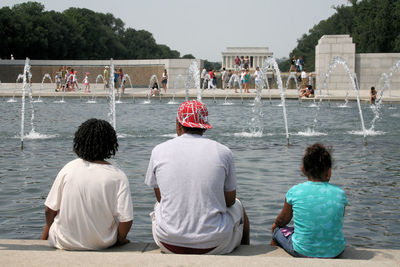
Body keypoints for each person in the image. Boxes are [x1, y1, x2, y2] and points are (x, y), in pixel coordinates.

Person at [145, 100, 250, 255]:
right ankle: (246, 251)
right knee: (239, 206)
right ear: (204, 128)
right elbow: (230, 201)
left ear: (178, 125)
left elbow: (161, 198)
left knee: (158, 206)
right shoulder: (223, 152)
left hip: (168, 242)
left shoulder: (159, 150)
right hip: (215, 244)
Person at [41, 119, 133, 250]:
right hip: (103, 243)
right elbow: (126, 220)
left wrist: (50, 228)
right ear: (111, 144)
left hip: (63, 241)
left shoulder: (68, 169)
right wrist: (120, 239)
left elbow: (49, 210)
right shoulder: (118, 176)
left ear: (79, 141)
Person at [271, 143, 347, 258]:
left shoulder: (295, 191)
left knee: (277, 231)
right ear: (329, 171)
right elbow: (337, 218)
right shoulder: (340, 193)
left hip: (303, 251)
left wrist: (276, 225)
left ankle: (273, 260)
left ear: (303, 169)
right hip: (335, 251)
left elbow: (283, 220)